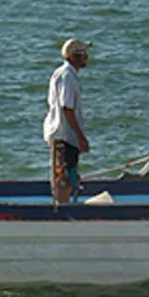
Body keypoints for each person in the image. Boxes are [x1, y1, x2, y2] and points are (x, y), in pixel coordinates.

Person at [43, 38, 90, 204]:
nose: (86, 57)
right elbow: (67, 108)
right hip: (64, 135)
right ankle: (62, 211)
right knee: (63, 178)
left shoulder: (63, 74)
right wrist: (80, 137)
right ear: (73, 56)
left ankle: (62, 205)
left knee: (68, 175)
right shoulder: (67, 77)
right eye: (83, 54)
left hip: (63, 135)